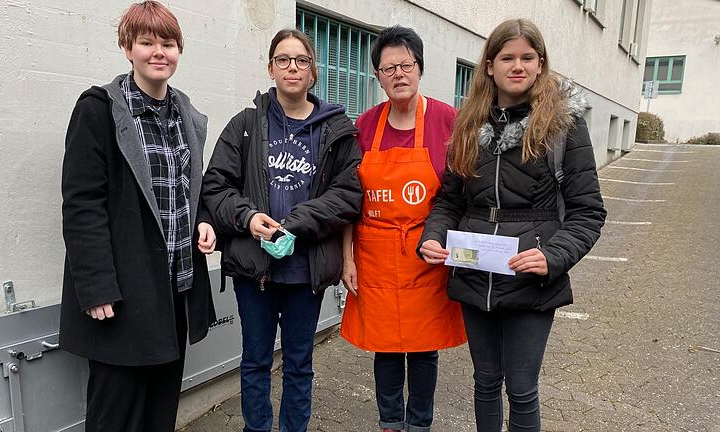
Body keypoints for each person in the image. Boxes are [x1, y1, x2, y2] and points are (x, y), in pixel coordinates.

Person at [418, 18, 606, 432]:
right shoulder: (467, 126)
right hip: (474, 272)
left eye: (527, 57)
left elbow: (588, 212)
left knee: (521, 388)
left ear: (541, 64)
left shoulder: (563, 127)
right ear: (489, 66)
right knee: (485, 382)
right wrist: (432, 238)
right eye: (507, 57)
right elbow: (449, 201)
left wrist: (552, 257)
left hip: (531, 279)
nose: (517, 66)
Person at [59, 2, 216, 431]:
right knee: (117, 413)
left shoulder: (186, 115)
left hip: (175, 290)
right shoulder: (98, 109)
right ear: (128, 48)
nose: (158, 52)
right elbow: (81, 203)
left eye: (168, 43)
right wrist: (95, 288)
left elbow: (189, 189)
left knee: (160, 410)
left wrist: (203, 220)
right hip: (123, 295)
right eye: (147, 42)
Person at [201, 29, 362, 432]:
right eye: (284, 59)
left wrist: (296, 223)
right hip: (254, 270)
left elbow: (348, 195)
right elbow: (216, 186)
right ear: (271, 67)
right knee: (255, 361)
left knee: (298, 365)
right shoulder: (246, 124)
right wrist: (248, 219)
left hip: (305, 271)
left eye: (302, 60)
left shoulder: (336, 130)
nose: (292, 68)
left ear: (313, 72)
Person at [339, 26, 467, 432]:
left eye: (405, 65)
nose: (398, 74)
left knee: (424, 350)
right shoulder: (364, 126)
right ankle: (390, 423)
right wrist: (347, 260)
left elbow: (464, 194)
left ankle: (420, 424)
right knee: (386, 350)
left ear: (420, 67)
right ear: (377, 76)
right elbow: (347, 201)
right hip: (374, 258)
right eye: (388, 67)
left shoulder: (449, 121)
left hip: (426, 258)